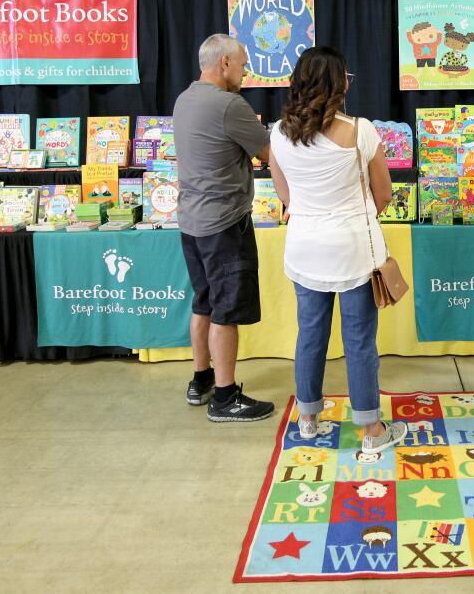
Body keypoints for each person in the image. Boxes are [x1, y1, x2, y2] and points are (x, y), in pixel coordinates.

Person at [268, 46, 408, 453]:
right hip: (352, 249)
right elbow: (383, 194)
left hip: (305, 246)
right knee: (359, 339)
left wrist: (311, 212)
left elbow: (285, 195)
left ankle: (308, 418)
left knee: (310, 334)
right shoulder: (361, 130)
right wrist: (353, 213)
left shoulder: (278, 133)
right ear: (337, 83)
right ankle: (370, 432)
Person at [173, 34, 276, 422]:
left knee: (203, 301)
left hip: (191, 222)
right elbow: (268, 153)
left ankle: (201, 379)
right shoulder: (230, 104)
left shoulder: (185, 99)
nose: (246, 70)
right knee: (226, 311)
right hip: (224, 224)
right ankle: (225, 397)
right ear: (225, 64)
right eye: (243, 63)